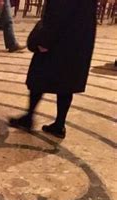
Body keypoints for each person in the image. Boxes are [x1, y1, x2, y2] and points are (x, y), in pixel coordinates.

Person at [9, 0, 97, 139]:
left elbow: (56, 14)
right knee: (67, 83)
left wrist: (44, 40)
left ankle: (29, 117)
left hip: (59, 42)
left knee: (38, 77)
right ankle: (59, 124)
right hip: (78, 42)